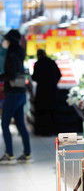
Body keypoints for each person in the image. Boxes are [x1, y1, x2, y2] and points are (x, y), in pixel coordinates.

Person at [0, 29, 32, 164]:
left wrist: (1, 77)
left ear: (10, 40)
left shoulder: (11, 54)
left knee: (5, 123)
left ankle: (9, 154)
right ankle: (27, 154)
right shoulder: (20, 51)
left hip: (12, 94)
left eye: (6, 39)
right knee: (20, 124)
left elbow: (11, 75)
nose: (4, 41)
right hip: (21, 93)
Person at [32, 49, 61, 136]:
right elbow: (59, 74)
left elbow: (34, 77)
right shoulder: (52, 62)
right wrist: (53, 82)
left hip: (42, 92)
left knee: (43, 112)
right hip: (52, 91)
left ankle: (44, 131)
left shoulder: (38, 64)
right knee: (53, 111)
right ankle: (54, 130)